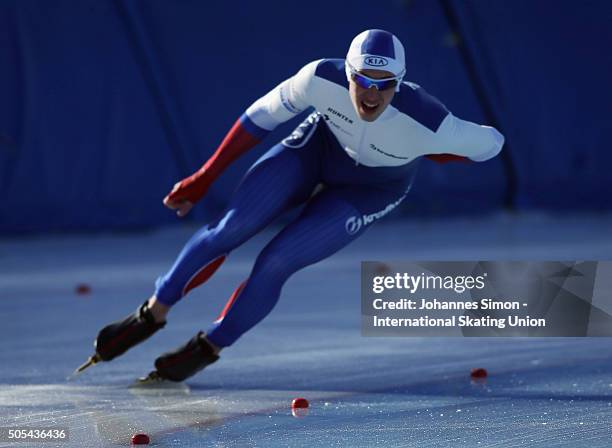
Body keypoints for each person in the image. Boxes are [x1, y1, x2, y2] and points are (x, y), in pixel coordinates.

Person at [82, 29, 505, 382]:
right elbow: (258, 118)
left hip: (371, 189)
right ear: (347, 72)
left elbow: (492, 144)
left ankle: (210, 345)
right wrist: (205, 177)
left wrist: (433, 149)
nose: (372, 96)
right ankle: (151, 314)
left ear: (400, 82)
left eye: (385, 85)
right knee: (232, 228)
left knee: (277, 260)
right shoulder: (320, 77)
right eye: (362, 81)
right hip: (317, 150)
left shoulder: (429, 120)